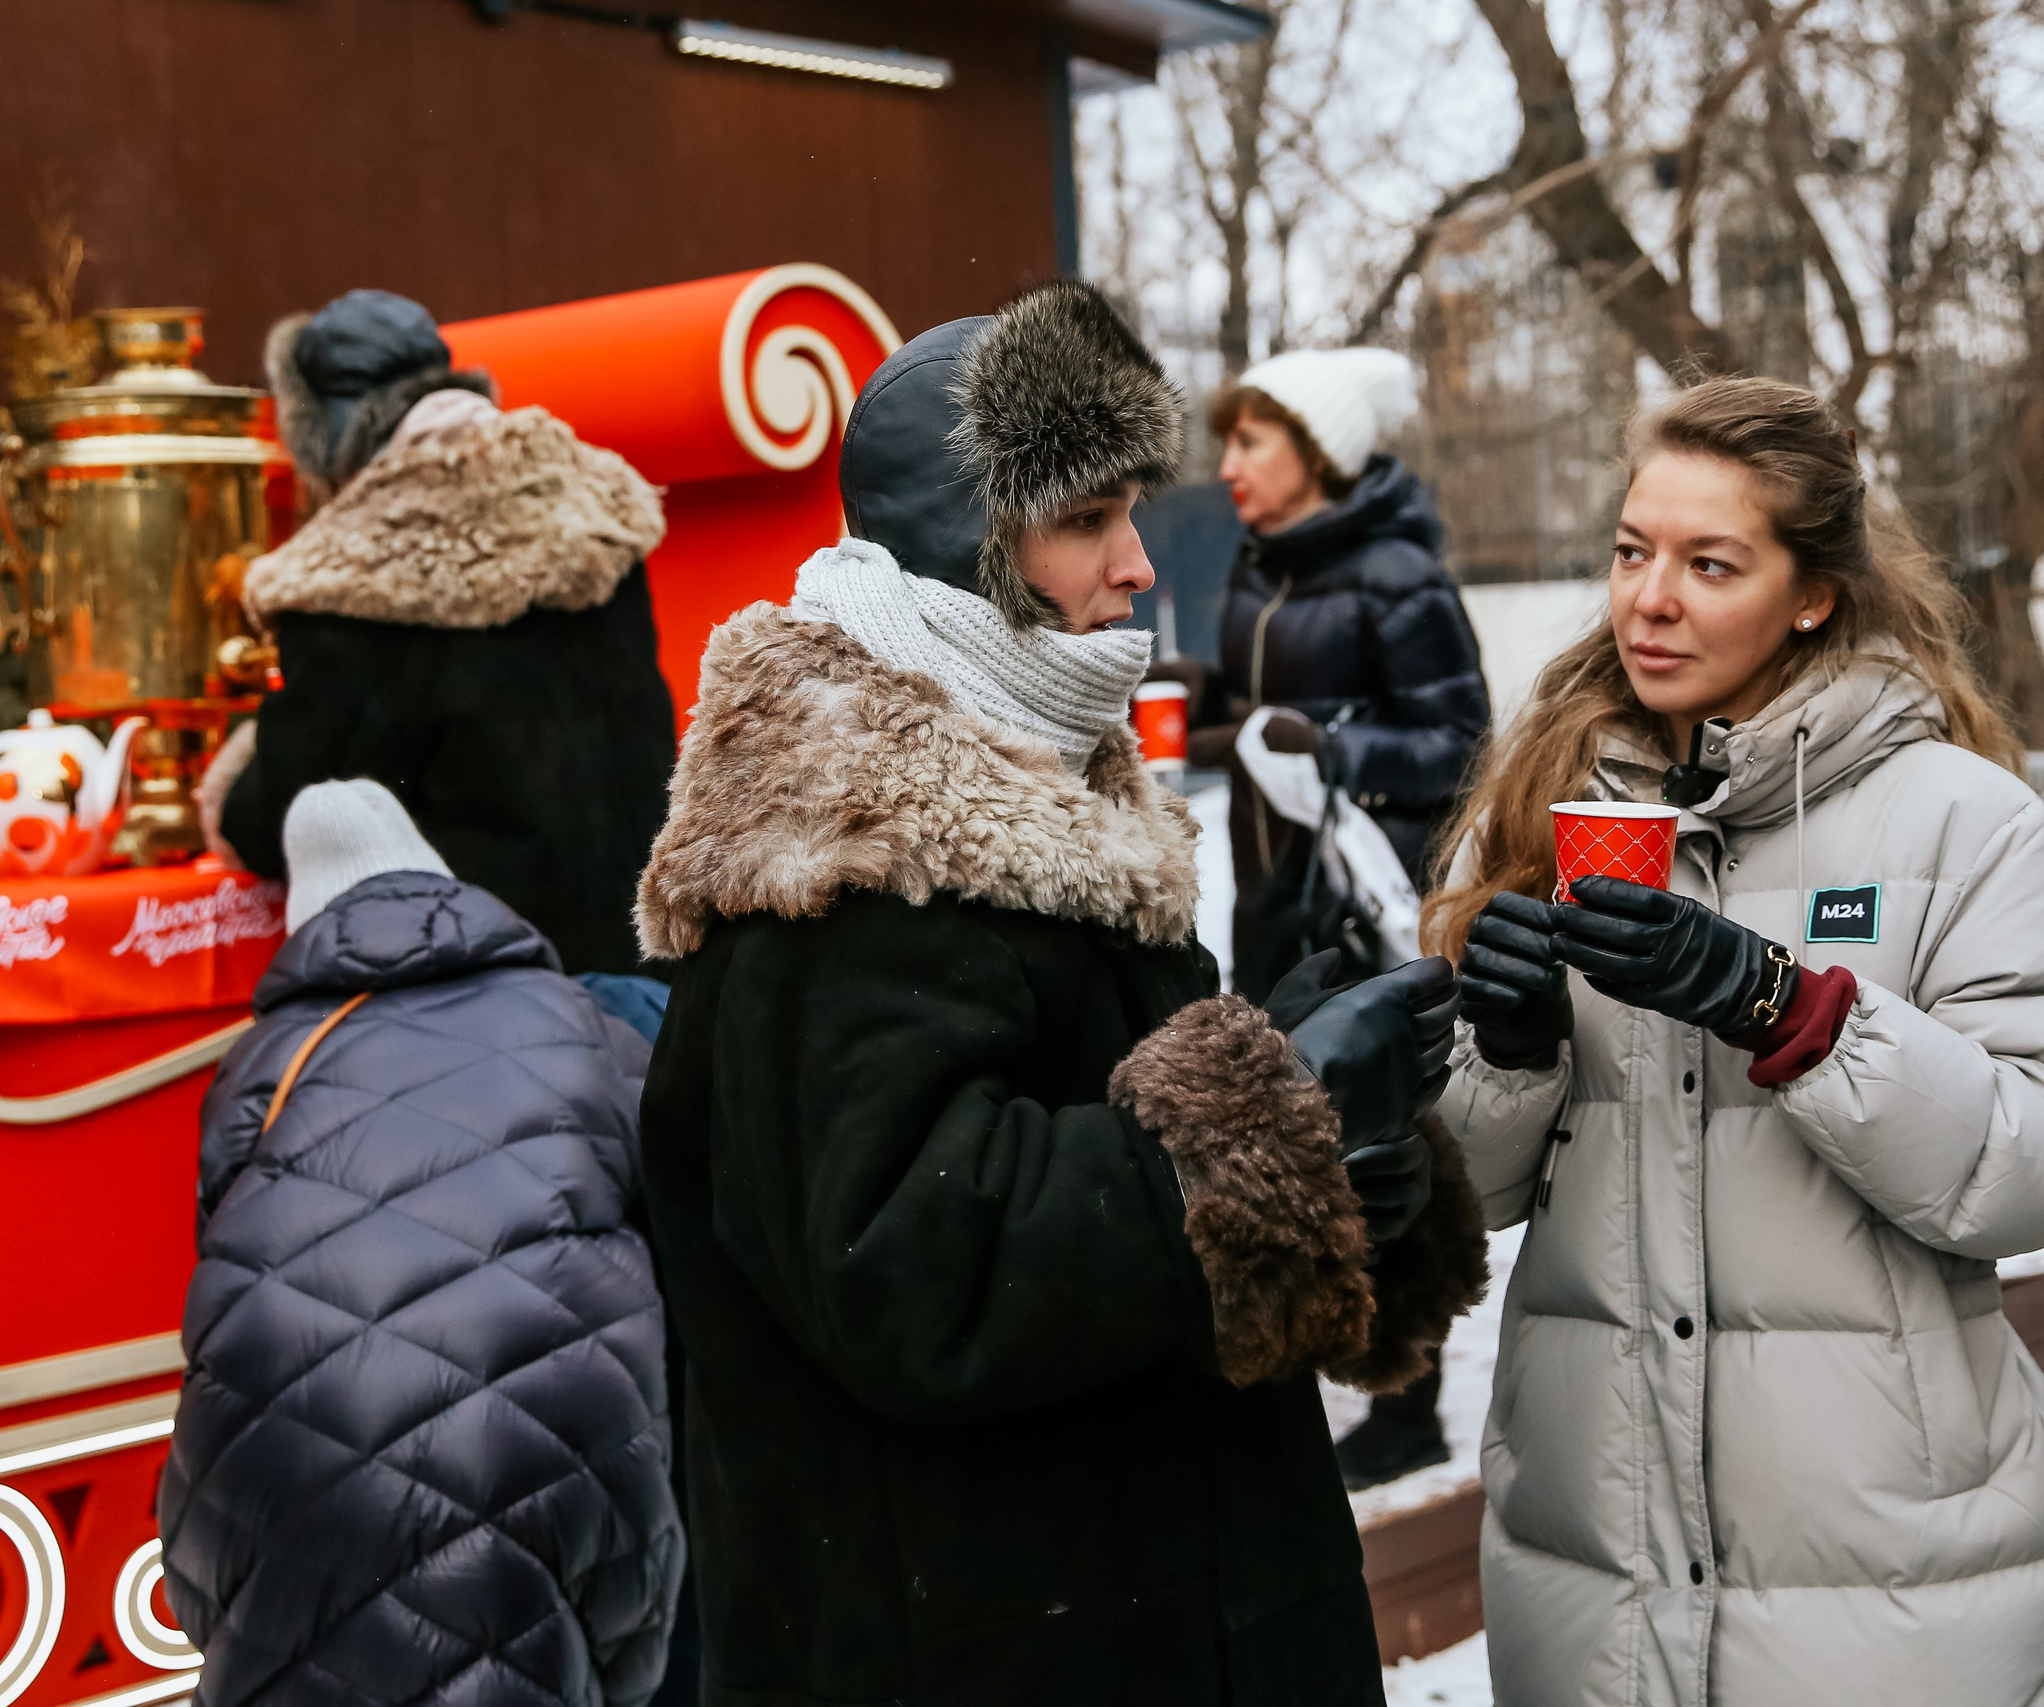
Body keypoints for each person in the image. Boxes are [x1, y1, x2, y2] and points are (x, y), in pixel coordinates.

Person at [633, 280, 1488, 1707]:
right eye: (1086, 520)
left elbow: (1147, 1209)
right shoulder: (839, 844)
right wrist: (1272, 1119)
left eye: (1129, 512)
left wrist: (1347, 1149)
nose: (1139, 564)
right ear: (971, 547)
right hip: (988, 1638)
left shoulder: (1048, 773)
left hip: (1149, 1597)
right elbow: (908, 1259)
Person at [1429, 376, 2044, 1705]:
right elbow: (1460, 1206)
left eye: (1711, 563)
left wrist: (1794, 1013)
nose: (1649, 597)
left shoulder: (1958, 823)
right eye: (1634, 550)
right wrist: (1505, 1052)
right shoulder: (1538, 811)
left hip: (1896, 1589)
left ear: (1812, 591)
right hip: (1602, 1574)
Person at [159, 779, 684, 1707]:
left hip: (286, 1476)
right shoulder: (581, 1021)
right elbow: (669, 1220)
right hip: (550, 1447)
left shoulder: (262, 1064)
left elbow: (224, 1240)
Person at [200, 288, 677, 976]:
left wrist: (229, 783)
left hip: (496, 986)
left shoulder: (350, 577)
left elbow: (288, 815)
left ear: (319, 432)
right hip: (654, 967)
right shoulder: (591, 502)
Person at [1190, 348, 1489, 1003]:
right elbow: (1269, 714)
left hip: (1365, 912)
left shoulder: (1401, 577)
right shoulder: (1261, 565)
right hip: (1266, 900)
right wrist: (1202, 697)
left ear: (1318, 450)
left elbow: (1462, 747)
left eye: (1248, 443)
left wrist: (1332, 752)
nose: (1226, 467)